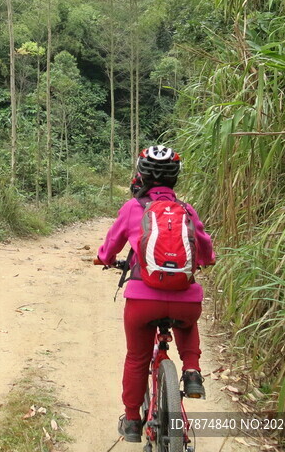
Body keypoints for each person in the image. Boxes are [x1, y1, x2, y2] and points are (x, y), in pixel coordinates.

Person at [94, 145, 215, 443]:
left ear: (140, 175)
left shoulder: (133, 208)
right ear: (175, 179)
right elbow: (206, 249)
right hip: (185, 299)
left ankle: (133, 421)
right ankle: (191, 372)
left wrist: (106, 259)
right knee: (188, 322)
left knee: (136, 357)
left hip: (142, 300)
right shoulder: (186, 210)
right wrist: (205, 261)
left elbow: (109, 249)